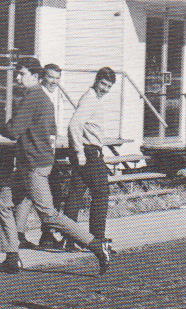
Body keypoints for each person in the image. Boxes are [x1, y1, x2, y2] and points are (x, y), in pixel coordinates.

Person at [0, 57, 112, 275]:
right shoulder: (42, 99)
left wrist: (1, 128)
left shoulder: (32, 97)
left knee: (48, 214)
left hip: (33, 166)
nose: (17, 78)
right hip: (32, 164)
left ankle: (95, 245)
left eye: (22, 73)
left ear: (35, 76)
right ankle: (12, 257)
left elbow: (13, 131)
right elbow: (50, 132)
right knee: (3, 201)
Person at [63, 67, 117, 248]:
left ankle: (69, 238)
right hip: (89, 153)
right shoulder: (90, 99)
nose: (105, 89)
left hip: (88, 151)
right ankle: (97, 237)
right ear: (96, 80)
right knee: (102, 192)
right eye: (103, 84)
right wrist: (79, 152)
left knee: (76, 193)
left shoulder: (91, 98)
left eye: (109, 86)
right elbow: (73, 125)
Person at [15, 63, 66, 249]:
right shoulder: (37, 94)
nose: (54, 81)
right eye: (51, 77)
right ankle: (46, 235)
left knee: (29, 194)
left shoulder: (55, 95)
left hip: (47, 149)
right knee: (44, 196)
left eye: (57, 78)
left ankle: (35, 235)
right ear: (42, 76)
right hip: (38, 153)